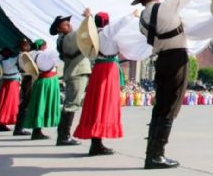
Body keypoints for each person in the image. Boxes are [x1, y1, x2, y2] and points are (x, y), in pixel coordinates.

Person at [133, 0, 195, 169]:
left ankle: (151, 153)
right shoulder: (167, 6)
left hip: (161, 59)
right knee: (171, 105)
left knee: (160, 106)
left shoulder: (142, 19)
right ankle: (156, 156)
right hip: (176, 58)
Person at [74, 9, 137, 156]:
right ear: (107, 22)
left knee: (96, 104)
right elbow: (121, 23)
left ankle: (96, 143)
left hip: (98, 68)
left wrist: (88, 17)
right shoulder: (108, 33)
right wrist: (132, 14)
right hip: (108, 70)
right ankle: (97, 144)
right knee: (104, 104)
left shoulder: (94, 34)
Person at [51, 14, 92, 146]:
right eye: (65, 24)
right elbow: (86, 33)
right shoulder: (69, 37)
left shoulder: (63, 38)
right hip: (77, 72)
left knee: (71, 104)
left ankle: (63, 135)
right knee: (71, 105)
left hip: (75, 72)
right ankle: (64, 136)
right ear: (58, 28)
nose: (69, 24)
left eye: (69, 22)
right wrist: (89, 19)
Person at [23, 39, 61, 140]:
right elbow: (56, 62)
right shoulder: (45, 55)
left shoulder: (33, 55)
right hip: (48, 81)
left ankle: (37, 129)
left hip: (40, 80)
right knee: (43, 105)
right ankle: (37, 131)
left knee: (39, 105)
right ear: (43, 46)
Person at [0, 48, 21, 132]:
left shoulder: (1, 62)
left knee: (2, 102)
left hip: (5, 82)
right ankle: (3, 121)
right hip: (13, 83)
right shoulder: (13, 60)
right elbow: (22, 55)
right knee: (9, 103)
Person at [13, 38, 33, 136]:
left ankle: (19, 127)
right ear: (24, 46)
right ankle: (19, 128)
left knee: (25, 104)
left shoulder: (21, 56)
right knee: (25, 104)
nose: (29, 46)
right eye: (27, 45)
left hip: (26, 79)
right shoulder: (24, 56)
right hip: (28, 78)